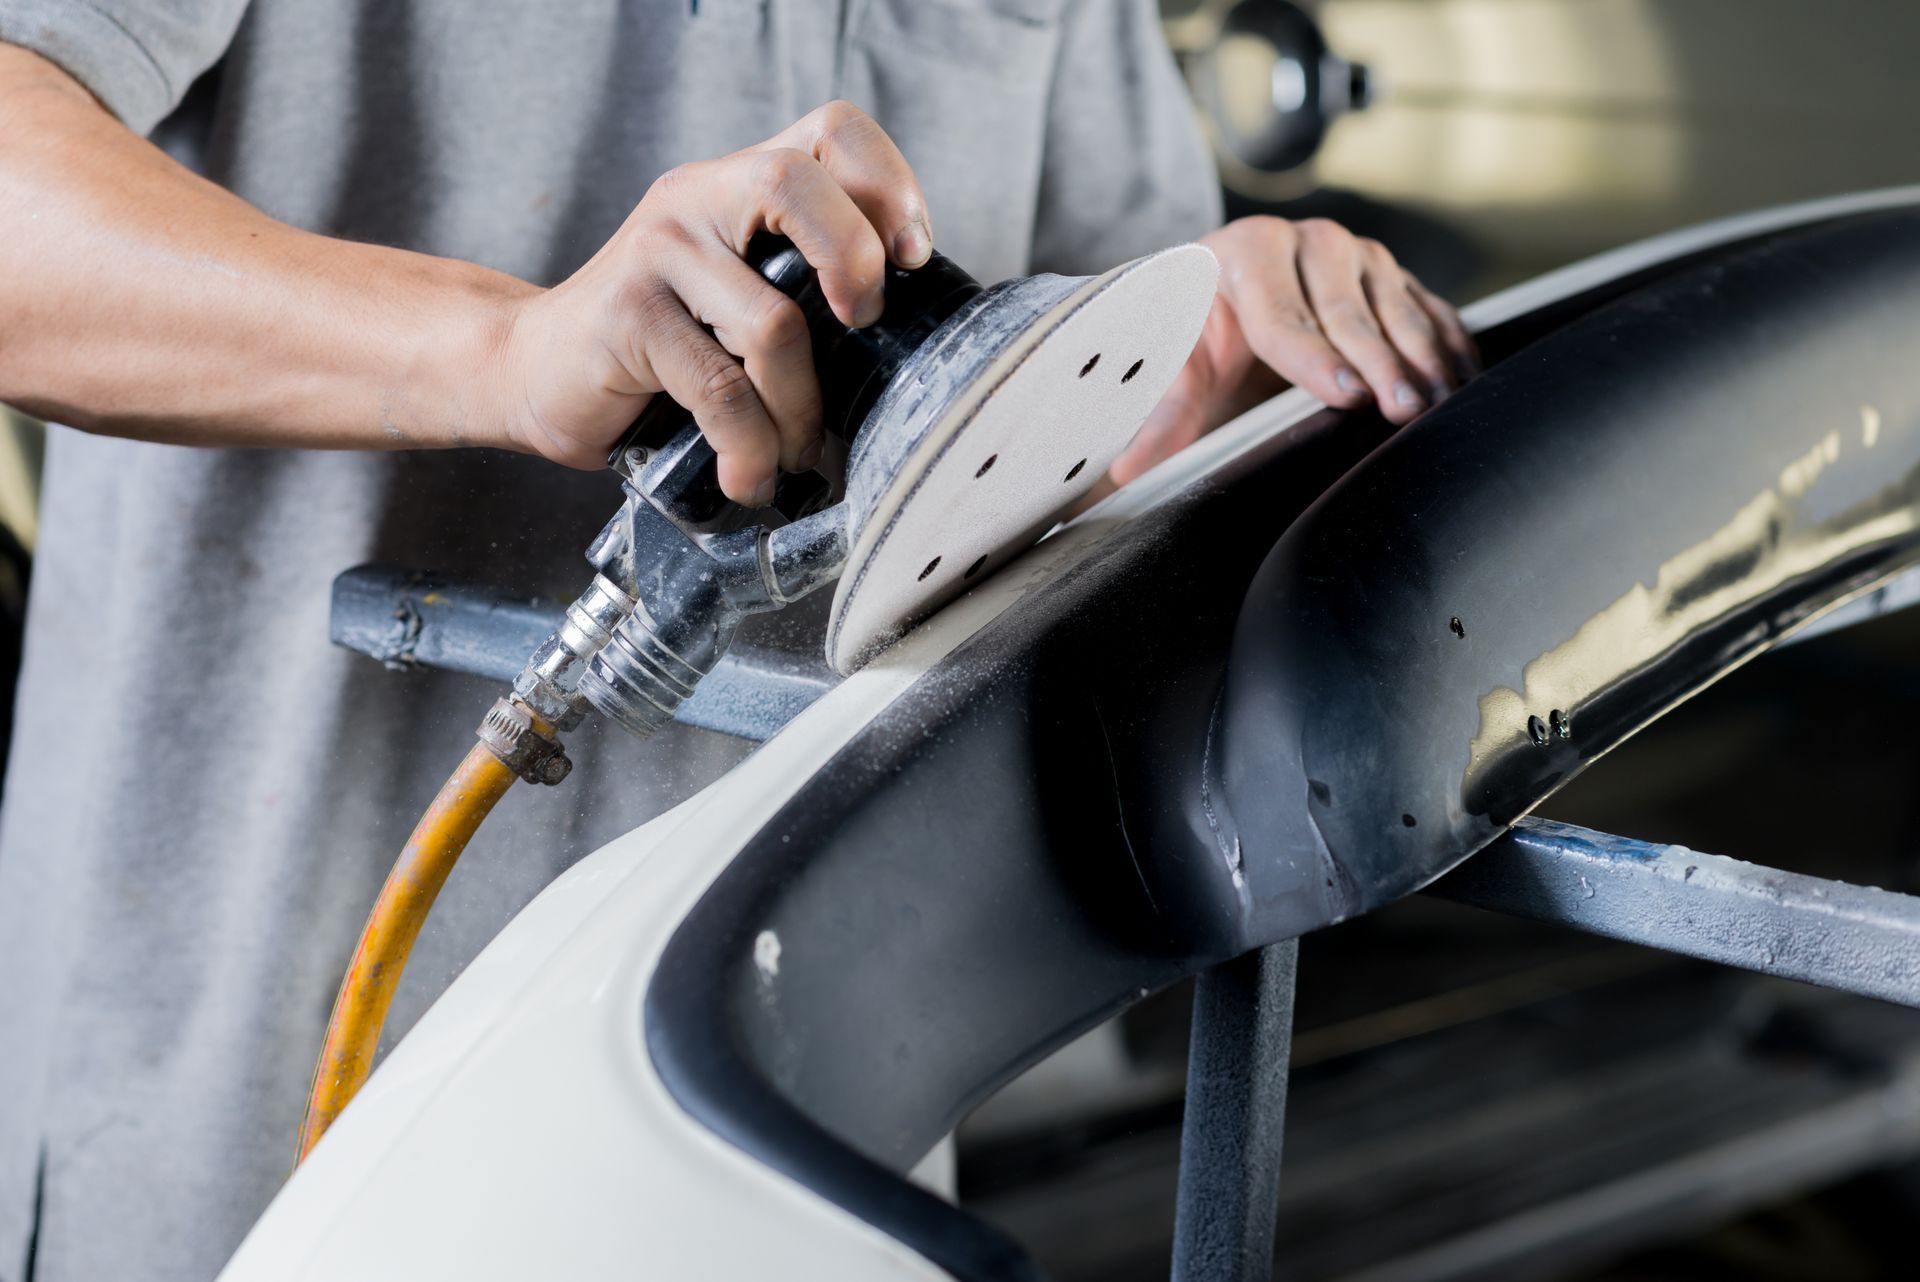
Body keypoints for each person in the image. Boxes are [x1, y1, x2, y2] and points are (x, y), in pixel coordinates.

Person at [0, 2, 1475, 1277]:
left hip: (805, 1134)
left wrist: (1208, 369)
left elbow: (1086, 388)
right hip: (266, 1132)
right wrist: (504, 349)